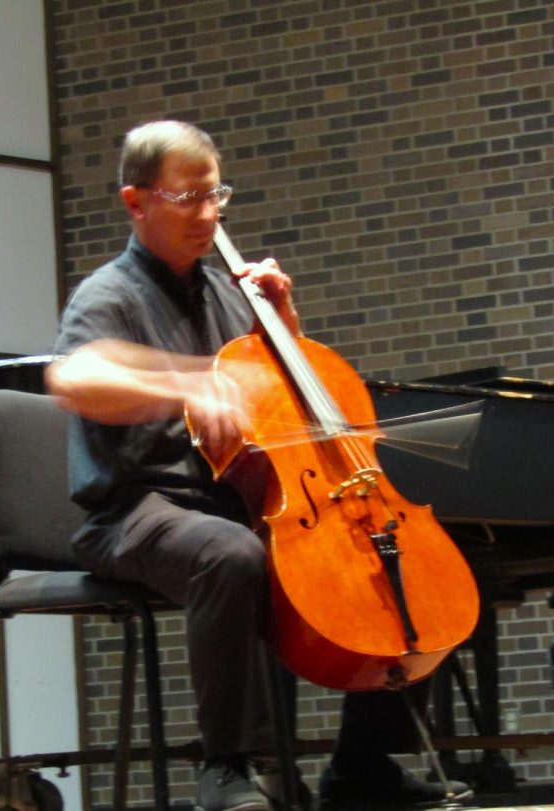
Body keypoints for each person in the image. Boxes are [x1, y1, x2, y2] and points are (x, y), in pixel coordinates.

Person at [48, 120, 472, 811]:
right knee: (231, 554)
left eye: (216, 195)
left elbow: (291, 405)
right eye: (188, 198)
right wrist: (186, 382)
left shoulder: (226, 293)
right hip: (135, 511)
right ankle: (229, 766)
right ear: (136, 201)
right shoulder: (110, 294)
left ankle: (361, 767)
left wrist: (284, 320)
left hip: (232, 501)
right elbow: (75, 379)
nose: (208, 215)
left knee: (393, 554)